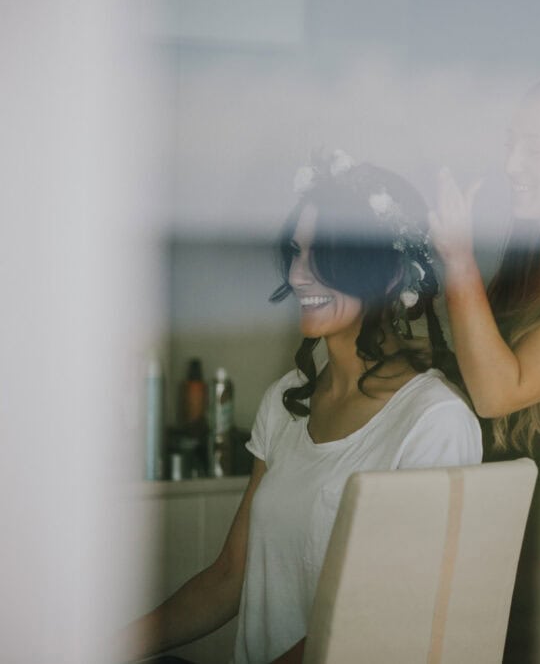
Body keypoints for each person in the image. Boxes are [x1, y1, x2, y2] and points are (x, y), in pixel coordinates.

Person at [121, 151, 482, 664]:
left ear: (387, 276)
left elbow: (386, 621)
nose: (297, 275)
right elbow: (229, 577)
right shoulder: (285, 402)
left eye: (326, 257)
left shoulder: (434, 423)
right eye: (296, 252)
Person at [429, 65, 540, 662]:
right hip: (499, 549)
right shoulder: (522, 263)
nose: (511, 167)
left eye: (535, 148)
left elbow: (500, 391)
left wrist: (457, 261)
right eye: (509, 144)